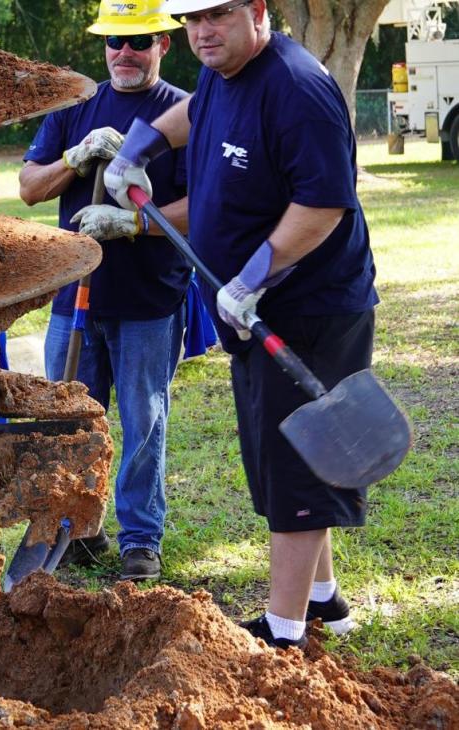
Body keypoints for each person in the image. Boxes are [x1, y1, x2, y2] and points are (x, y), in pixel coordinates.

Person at [106, 0, 375, 648]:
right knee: (291, 457)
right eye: (191, 19)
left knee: (296, 466)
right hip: (252, 312)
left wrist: (256, 272)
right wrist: (141, 144)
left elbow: (325, 204)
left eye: (218, 15)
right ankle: (323, 600)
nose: (202, 31)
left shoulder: (297, 87)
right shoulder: (222, 73)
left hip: (309, 309)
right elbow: (198, 114)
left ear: (258, 10)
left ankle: (284, 633)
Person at [18, 0, 191, 583]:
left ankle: (140, 538)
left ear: (164, 45)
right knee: (69, 422)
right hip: (74, 298)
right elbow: (29, 188)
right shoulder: (77, 107)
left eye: (139, 42)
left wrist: (136, 223)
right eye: (115, 41)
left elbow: (206, 207)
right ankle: (74, 531)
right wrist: (75, 156)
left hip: (147, 300)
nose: (125, 53)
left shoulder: (183, 113)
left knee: (144, 423)